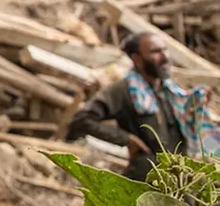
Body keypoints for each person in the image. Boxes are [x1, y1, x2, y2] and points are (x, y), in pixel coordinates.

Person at [67, 31, 219, 181]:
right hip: (147, 178)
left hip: (179, 178)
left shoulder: (170, 90)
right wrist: (127, 139)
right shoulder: (123, 90)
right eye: (155, 52)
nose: (165, 56)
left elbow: (184, 126)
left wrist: (194, 104)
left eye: (165, 50)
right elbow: (83, 119)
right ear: (137, 60)